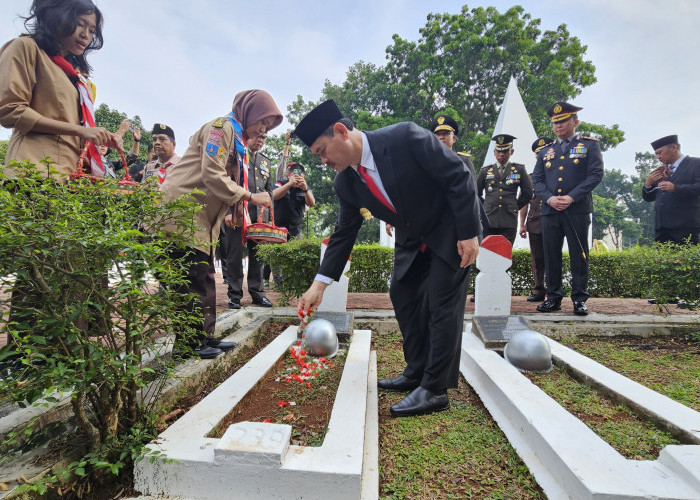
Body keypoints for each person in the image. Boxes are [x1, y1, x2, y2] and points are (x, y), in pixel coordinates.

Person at [294, 100, 481, 418]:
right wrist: (319, 285)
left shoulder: (405, 138)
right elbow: (343, 234)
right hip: (413, 238)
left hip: (451, 229)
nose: (323, 161)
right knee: (403, 293)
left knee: (441, 303)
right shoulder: (346, 183)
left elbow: (458, 175)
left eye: (322, 151)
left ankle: (435, 389)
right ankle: (417, 370)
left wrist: (468, 232)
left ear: (341, 132)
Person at [159, 90, 282, 359]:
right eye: (263, 122)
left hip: (200, 216)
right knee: (191, 279)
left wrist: (236, 207)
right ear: (249, 112)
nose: (264, 129)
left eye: (269, 127)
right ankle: (188, 345)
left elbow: (229, 180)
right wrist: (249, 197)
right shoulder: (221, 128)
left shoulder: (238, 142)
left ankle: (203, 338)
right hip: (181, 212)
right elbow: (212, 173)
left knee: (203, 277)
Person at [0, 0, 122, 180]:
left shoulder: (80, 77)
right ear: (58, 19)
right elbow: (10, 110)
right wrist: (79, 131)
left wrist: (100, 137)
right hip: (34, 171)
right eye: (80, 25)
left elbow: (80, 128)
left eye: (91, 31)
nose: (85, 35)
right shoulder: (27, 47)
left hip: (71, 178)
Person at [532, 102, 604, 316]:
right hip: (551, 210)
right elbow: (537, 179)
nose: (558, 126)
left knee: (579, 255)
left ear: (575, 122)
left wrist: (572, 197)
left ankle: (579, 299)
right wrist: (550, 198)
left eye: (563, 121)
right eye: (555, 122)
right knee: (551, 255)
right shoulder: (546, 150)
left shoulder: (590, 146)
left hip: (577, 210)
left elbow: (595, 175)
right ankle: (553, 298)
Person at [221, 132, 275, 309]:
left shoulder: (266, 161)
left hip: (259, 216)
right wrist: (227, 212)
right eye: (257, 135)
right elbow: (226, 185)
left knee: (258, 256)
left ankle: (257, 292)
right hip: (237, 212)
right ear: (246, 136)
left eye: (264, 137)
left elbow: (269, 192)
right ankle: (234, 294)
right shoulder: (235, 156)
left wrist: (268, 216)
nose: (260, 140)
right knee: (234, 255)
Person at [641, 135, 700, 244]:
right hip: (662, 229)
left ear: (673, 148)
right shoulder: (661, 170)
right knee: (662, 260)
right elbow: (648, 197)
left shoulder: (695, 164)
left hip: (685, 227)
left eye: (660, 152)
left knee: (685, 260)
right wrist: (648, 184)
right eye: (656, 154)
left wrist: (675, 188)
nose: (658, 157)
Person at [476, 134, 533, 244]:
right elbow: (476, 194)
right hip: (489, 219)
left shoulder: (519, 169)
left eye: (505, 151)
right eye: (499, 151)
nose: (502, 154)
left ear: (511, 152)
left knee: (505, 255)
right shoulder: (485, 171)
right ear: (494, 152)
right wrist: (485, 206)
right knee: (487, 253)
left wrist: (514, 206)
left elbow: (528, 193)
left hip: (509, 219)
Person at [518, 137, 554, 302]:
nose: (541, 156)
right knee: (537, 259)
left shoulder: (557, 175)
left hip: (553, 222)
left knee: (553, 258)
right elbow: (524, 201)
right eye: (538, 154)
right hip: (534, 222)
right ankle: (538, 289)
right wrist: (521, 224)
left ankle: (554, 292)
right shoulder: (531, 177)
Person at [273, 162, 316, 239]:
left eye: (300, 177)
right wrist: (289, 184)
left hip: (296, 229)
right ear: (288, 175)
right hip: (278, 228)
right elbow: (273, 195)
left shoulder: (304, 187)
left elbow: (312, 203)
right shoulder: (280, 183)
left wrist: (305, 190)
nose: (297, 179)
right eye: (294, 176)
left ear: (304, 177)